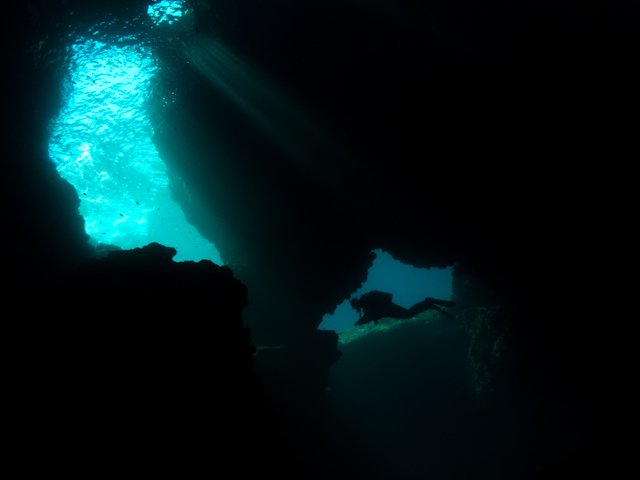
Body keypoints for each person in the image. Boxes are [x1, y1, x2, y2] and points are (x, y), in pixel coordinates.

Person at [349, 290, 456, 326]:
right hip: (389, 309)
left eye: (354, 307)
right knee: (408, 314)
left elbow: (370, 315)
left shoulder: (367, 304)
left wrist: (360, 322)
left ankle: (428, 303)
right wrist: (360, 321)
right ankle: (428, 304)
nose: (355, 309)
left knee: (408, 314)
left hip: (390, 309)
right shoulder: (367, 303)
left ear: (357, 303)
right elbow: (369, 316)